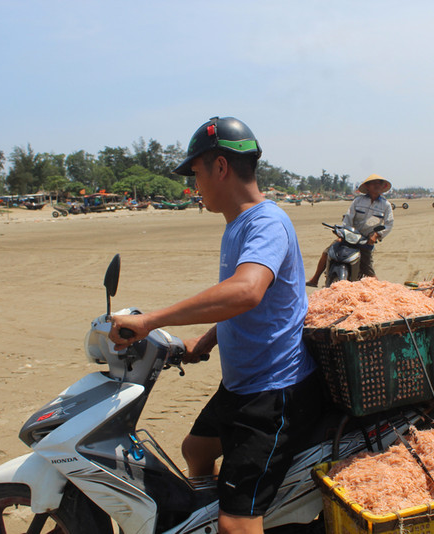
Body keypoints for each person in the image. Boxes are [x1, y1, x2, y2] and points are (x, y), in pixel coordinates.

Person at [109, 116, 321, 534]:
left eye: (196, 173)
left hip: (272, 393)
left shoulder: (266, 222)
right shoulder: (237, 225)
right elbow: (245, 308)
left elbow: (246, 292)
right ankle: (203, 516)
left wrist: (151, 320)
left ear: (220, 167)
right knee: (196, 449)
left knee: (236, 524)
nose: (194, 185)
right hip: (243, 384)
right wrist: (204, 342)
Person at [306, 174, 394, 287]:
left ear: (383, 187)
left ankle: (381, 294)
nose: (377, 186)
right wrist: (343, 233)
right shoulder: (358, 201)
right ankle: (315, 279)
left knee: (368, 271)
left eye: (379, 184)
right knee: (327, 253)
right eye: (374, 183)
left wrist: (377, 235)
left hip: (365, 240)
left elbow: (389, 224)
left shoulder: (386, 205)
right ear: (367, 186)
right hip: (350, 236)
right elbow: (348, 218)